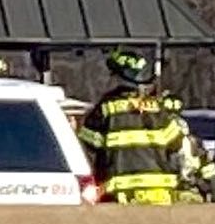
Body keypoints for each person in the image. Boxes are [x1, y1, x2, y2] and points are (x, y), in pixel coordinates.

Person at [79, 50, 199, 207]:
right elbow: (182, 150)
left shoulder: (104, 110)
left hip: (120, 196)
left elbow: (85, 152)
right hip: (161, 194)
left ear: (116, 76)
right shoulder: (158, 111)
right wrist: (186, 183)